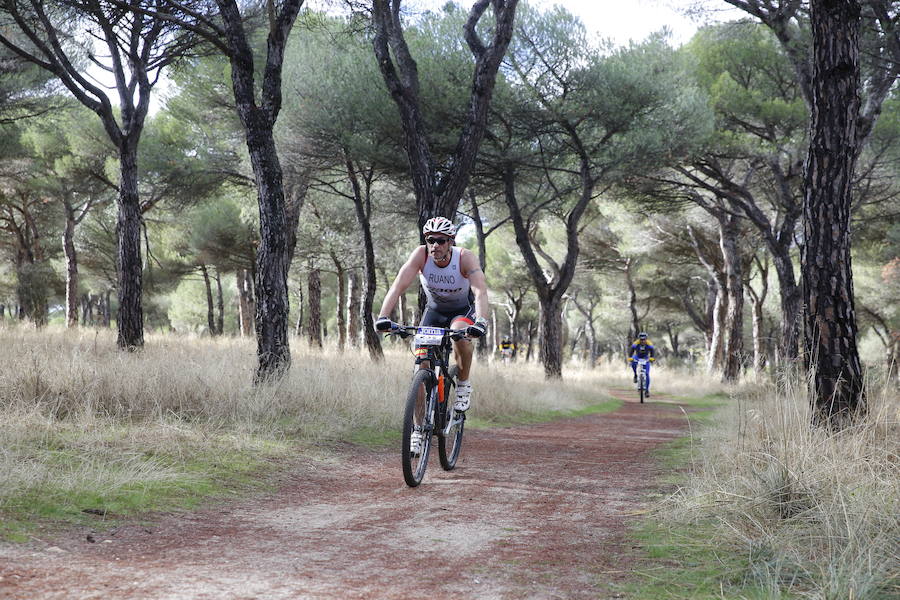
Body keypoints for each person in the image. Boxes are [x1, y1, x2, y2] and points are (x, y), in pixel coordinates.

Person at [375, 216, 489, 419]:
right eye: (430, 240)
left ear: (451, 241)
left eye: (441, 240)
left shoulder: (464, 257)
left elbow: (480, 291)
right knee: (421, 365)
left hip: (462, 310)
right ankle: (417, 430)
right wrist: (383, 316)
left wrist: (481, 322)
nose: (435, 245)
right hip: (434, 312)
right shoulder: (421, 255)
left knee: (460, 335)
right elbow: (398, 286)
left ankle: (463, 384)